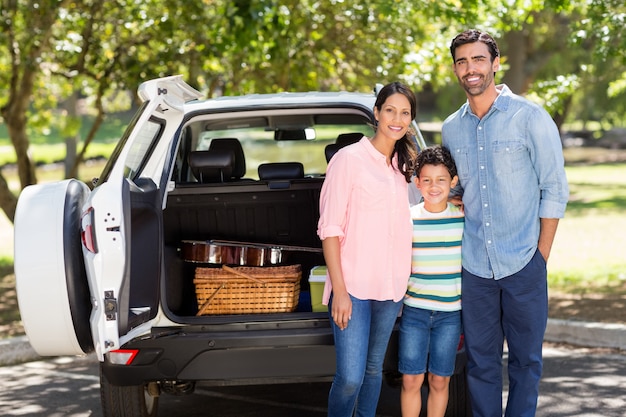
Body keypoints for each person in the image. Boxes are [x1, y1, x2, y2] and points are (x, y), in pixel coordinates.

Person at [442, 29, 569, 417]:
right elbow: (455, 190)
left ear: (495, 64)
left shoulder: (530, 118)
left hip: (524, 262)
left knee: (526, 364)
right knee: (480, 366)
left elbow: (554, 189)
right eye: (462, 61)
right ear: (455, 70)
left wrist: (540, 257)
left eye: (478, 59)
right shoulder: (451, 128)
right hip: (475, 266)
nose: (471, 69)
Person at [317, 81, 418, 417]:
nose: (397, 119)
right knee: (350, 377)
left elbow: (430, 202)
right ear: (376, 113)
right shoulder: (349, 160)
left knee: (374, 371)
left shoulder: (406, 168)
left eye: (405, 113)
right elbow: (329, 230)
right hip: (354, 290)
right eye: (390, 110)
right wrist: (340, 293)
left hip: (391, 289)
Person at [399, 145, 464, 417]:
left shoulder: (463, 218)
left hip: (450, 315)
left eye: (441, 180)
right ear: (417, 183)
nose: (434, 186)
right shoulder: (408, 219)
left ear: (453, 182)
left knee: (440, 380)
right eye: (426, 180)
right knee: (411, 379)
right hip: (415, 312)